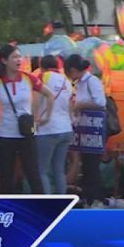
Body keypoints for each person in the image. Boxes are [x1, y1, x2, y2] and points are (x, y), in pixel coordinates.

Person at [0, 45, 53, 194]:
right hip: (5, 134)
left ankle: (41, 208)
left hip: (27, 133)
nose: (19, 60)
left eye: (19, 57)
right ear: (4, 60)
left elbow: (49, 94)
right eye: (14, 57)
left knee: (32, 173)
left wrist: (45, 117)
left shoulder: (28, 78)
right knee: (6, 175)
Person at [65, 54, 108, 208]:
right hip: (84, 129)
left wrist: (81, 105)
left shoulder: (92, 81)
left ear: (73, 70)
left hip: (93, 130)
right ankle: (89, 197)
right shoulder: (79, 84)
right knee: (87, 165)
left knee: (92, 164)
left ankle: (97, 198)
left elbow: (101, 102)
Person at [35, 55, 74, 195]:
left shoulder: (43, 77)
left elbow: (36, 100)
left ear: (42, 66)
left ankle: (48, 203)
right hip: (66, 128)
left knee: (42, 170)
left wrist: (34, 120)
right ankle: (61, 202)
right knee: (59, 169)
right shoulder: (67, 80)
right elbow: (70, 105)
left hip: (47, 129)